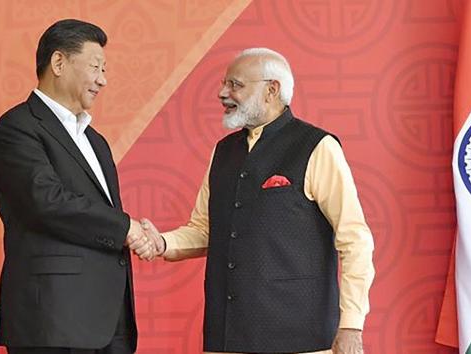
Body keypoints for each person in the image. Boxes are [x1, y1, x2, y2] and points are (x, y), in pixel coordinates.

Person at [134, 48, 375, 354]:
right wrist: (161, 244)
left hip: (302, 338)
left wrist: (351, 324)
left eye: (235, 84)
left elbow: (355, 240)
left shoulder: (317, 146)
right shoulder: (223, 152)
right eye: (225, 84)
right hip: (227, 336)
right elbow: (206, 230)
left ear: (271, 89)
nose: (223, 93)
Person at [0, 19, 145, 354]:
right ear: (58, 62)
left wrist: (129, 229)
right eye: (95, 67)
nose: (103, 79)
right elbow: (45, 201)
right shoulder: (17, 128)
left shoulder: (95, 141)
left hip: (108, 319)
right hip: (52, 321)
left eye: (105, 69)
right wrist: (126, 227)